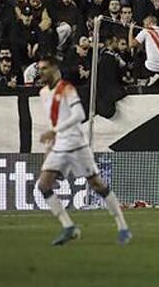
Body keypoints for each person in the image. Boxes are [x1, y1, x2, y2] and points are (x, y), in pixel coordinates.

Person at [33, 56, 131, 246]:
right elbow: (55, 120)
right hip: (59, 144)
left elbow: (79, 115)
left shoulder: (67, 89)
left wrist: (54, 131)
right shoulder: (43, 93)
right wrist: (51, 142)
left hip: (76, 143)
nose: (41, 72)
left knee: (96, 184)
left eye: (44, 68)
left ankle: (122, 226)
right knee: (43, 185)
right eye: (39, 68)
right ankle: (69, 227)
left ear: (54, 69)